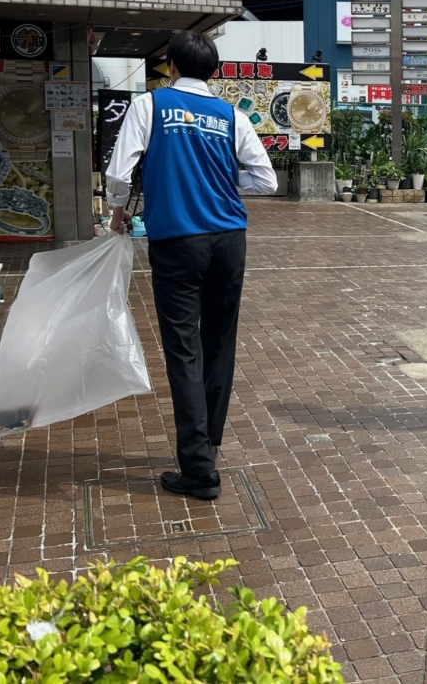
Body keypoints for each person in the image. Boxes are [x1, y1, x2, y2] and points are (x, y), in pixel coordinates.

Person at [105, 31, 277, 500]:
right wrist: (221, 179)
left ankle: (199, 469)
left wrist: (118, 210)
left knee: (183, 348)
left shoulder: (150, 106)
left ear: (171, 66)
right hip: (228, 241)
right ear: (215, 72)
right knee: (219, 342)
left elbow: (120, 173)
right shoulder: (231, 116)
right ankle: (209, 444)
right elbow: (266, 179)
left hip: (177, 241)